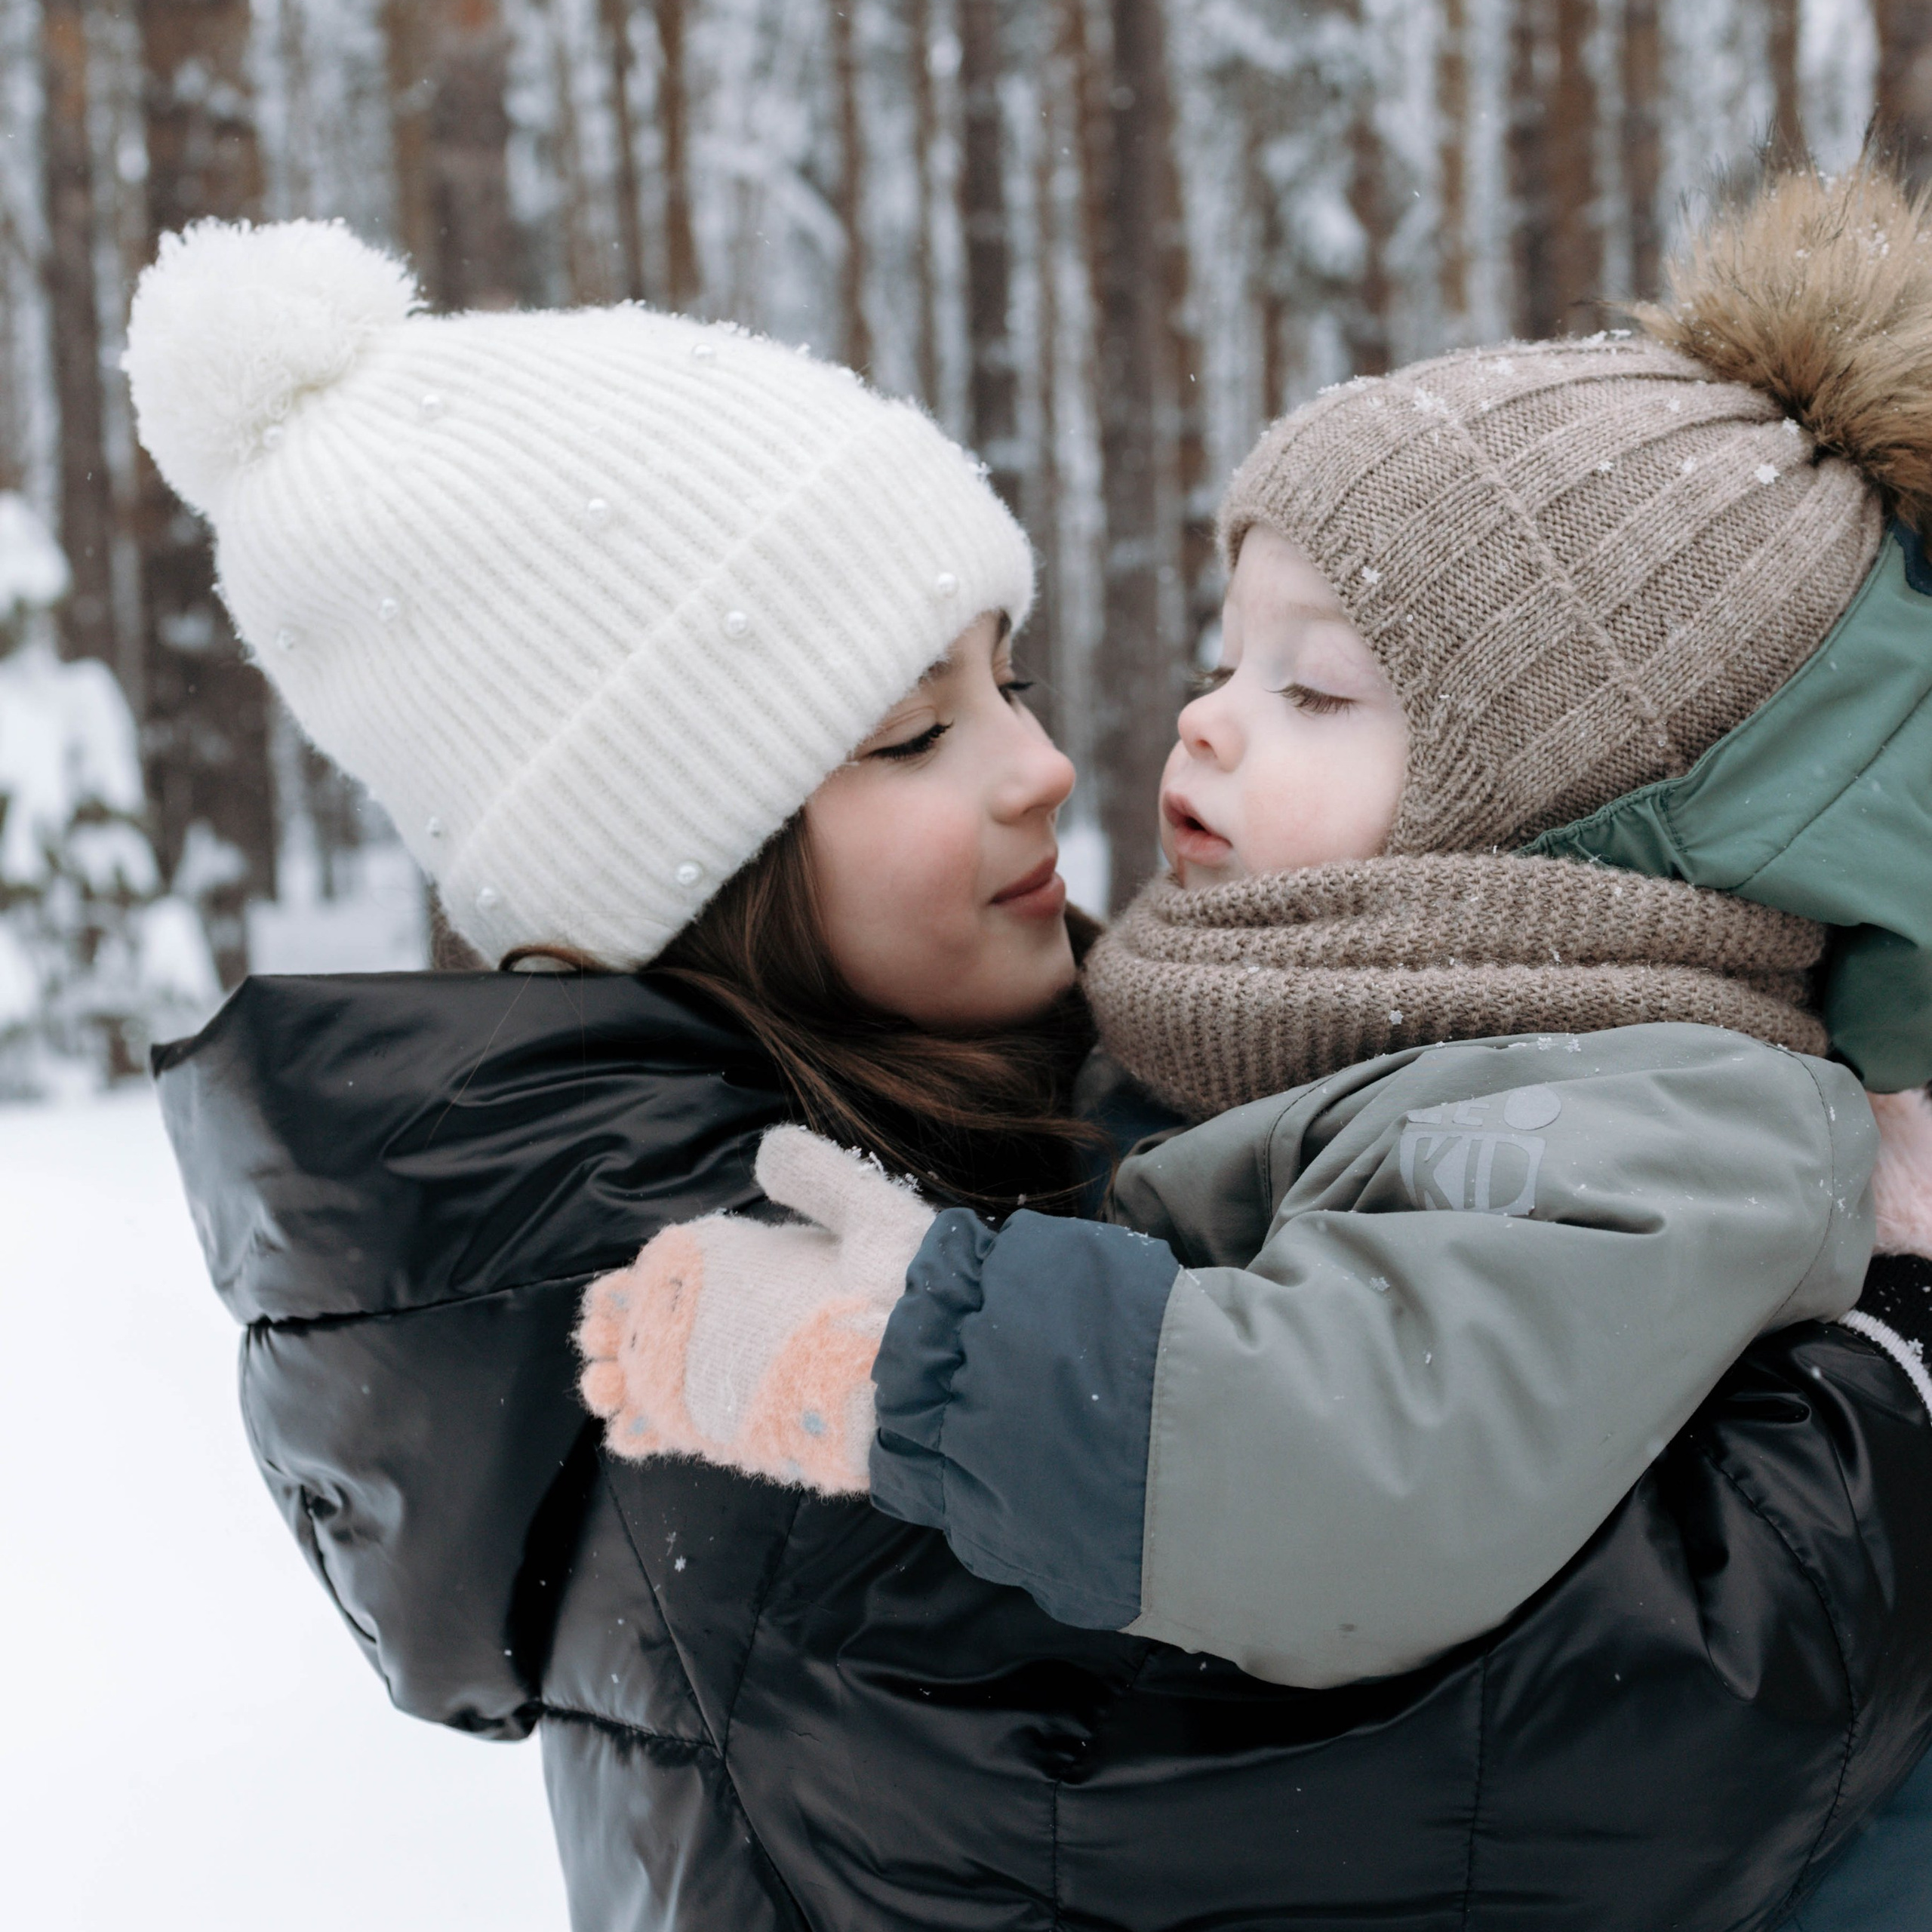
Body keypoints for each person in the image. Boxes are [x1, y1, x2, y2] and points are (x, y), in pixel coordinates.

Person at [133, 208, 1932, 1931]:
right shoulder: (720, 1304)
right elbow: (1552, 1764)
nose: (1054, 764)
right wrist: (1888, 1392)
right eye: (916, 731)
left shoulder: (1106, 1090)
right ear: (693, 859)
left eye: (1009, 679)